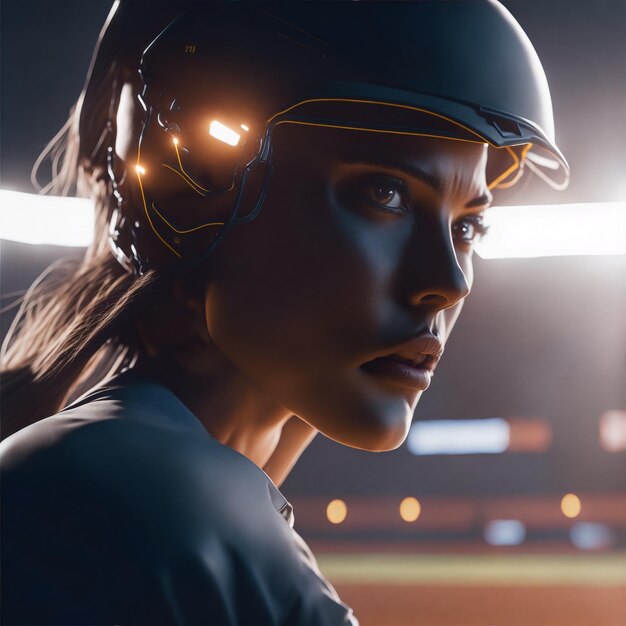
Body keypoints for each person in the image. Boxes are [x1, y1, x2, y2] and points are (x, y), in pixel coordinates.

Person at [0, 1, 569, 624]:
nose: (449, 283)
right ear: (189, 192)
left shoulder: (91, 465)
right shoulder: (160, 495)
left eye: (469, 226)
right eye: (385, 193)